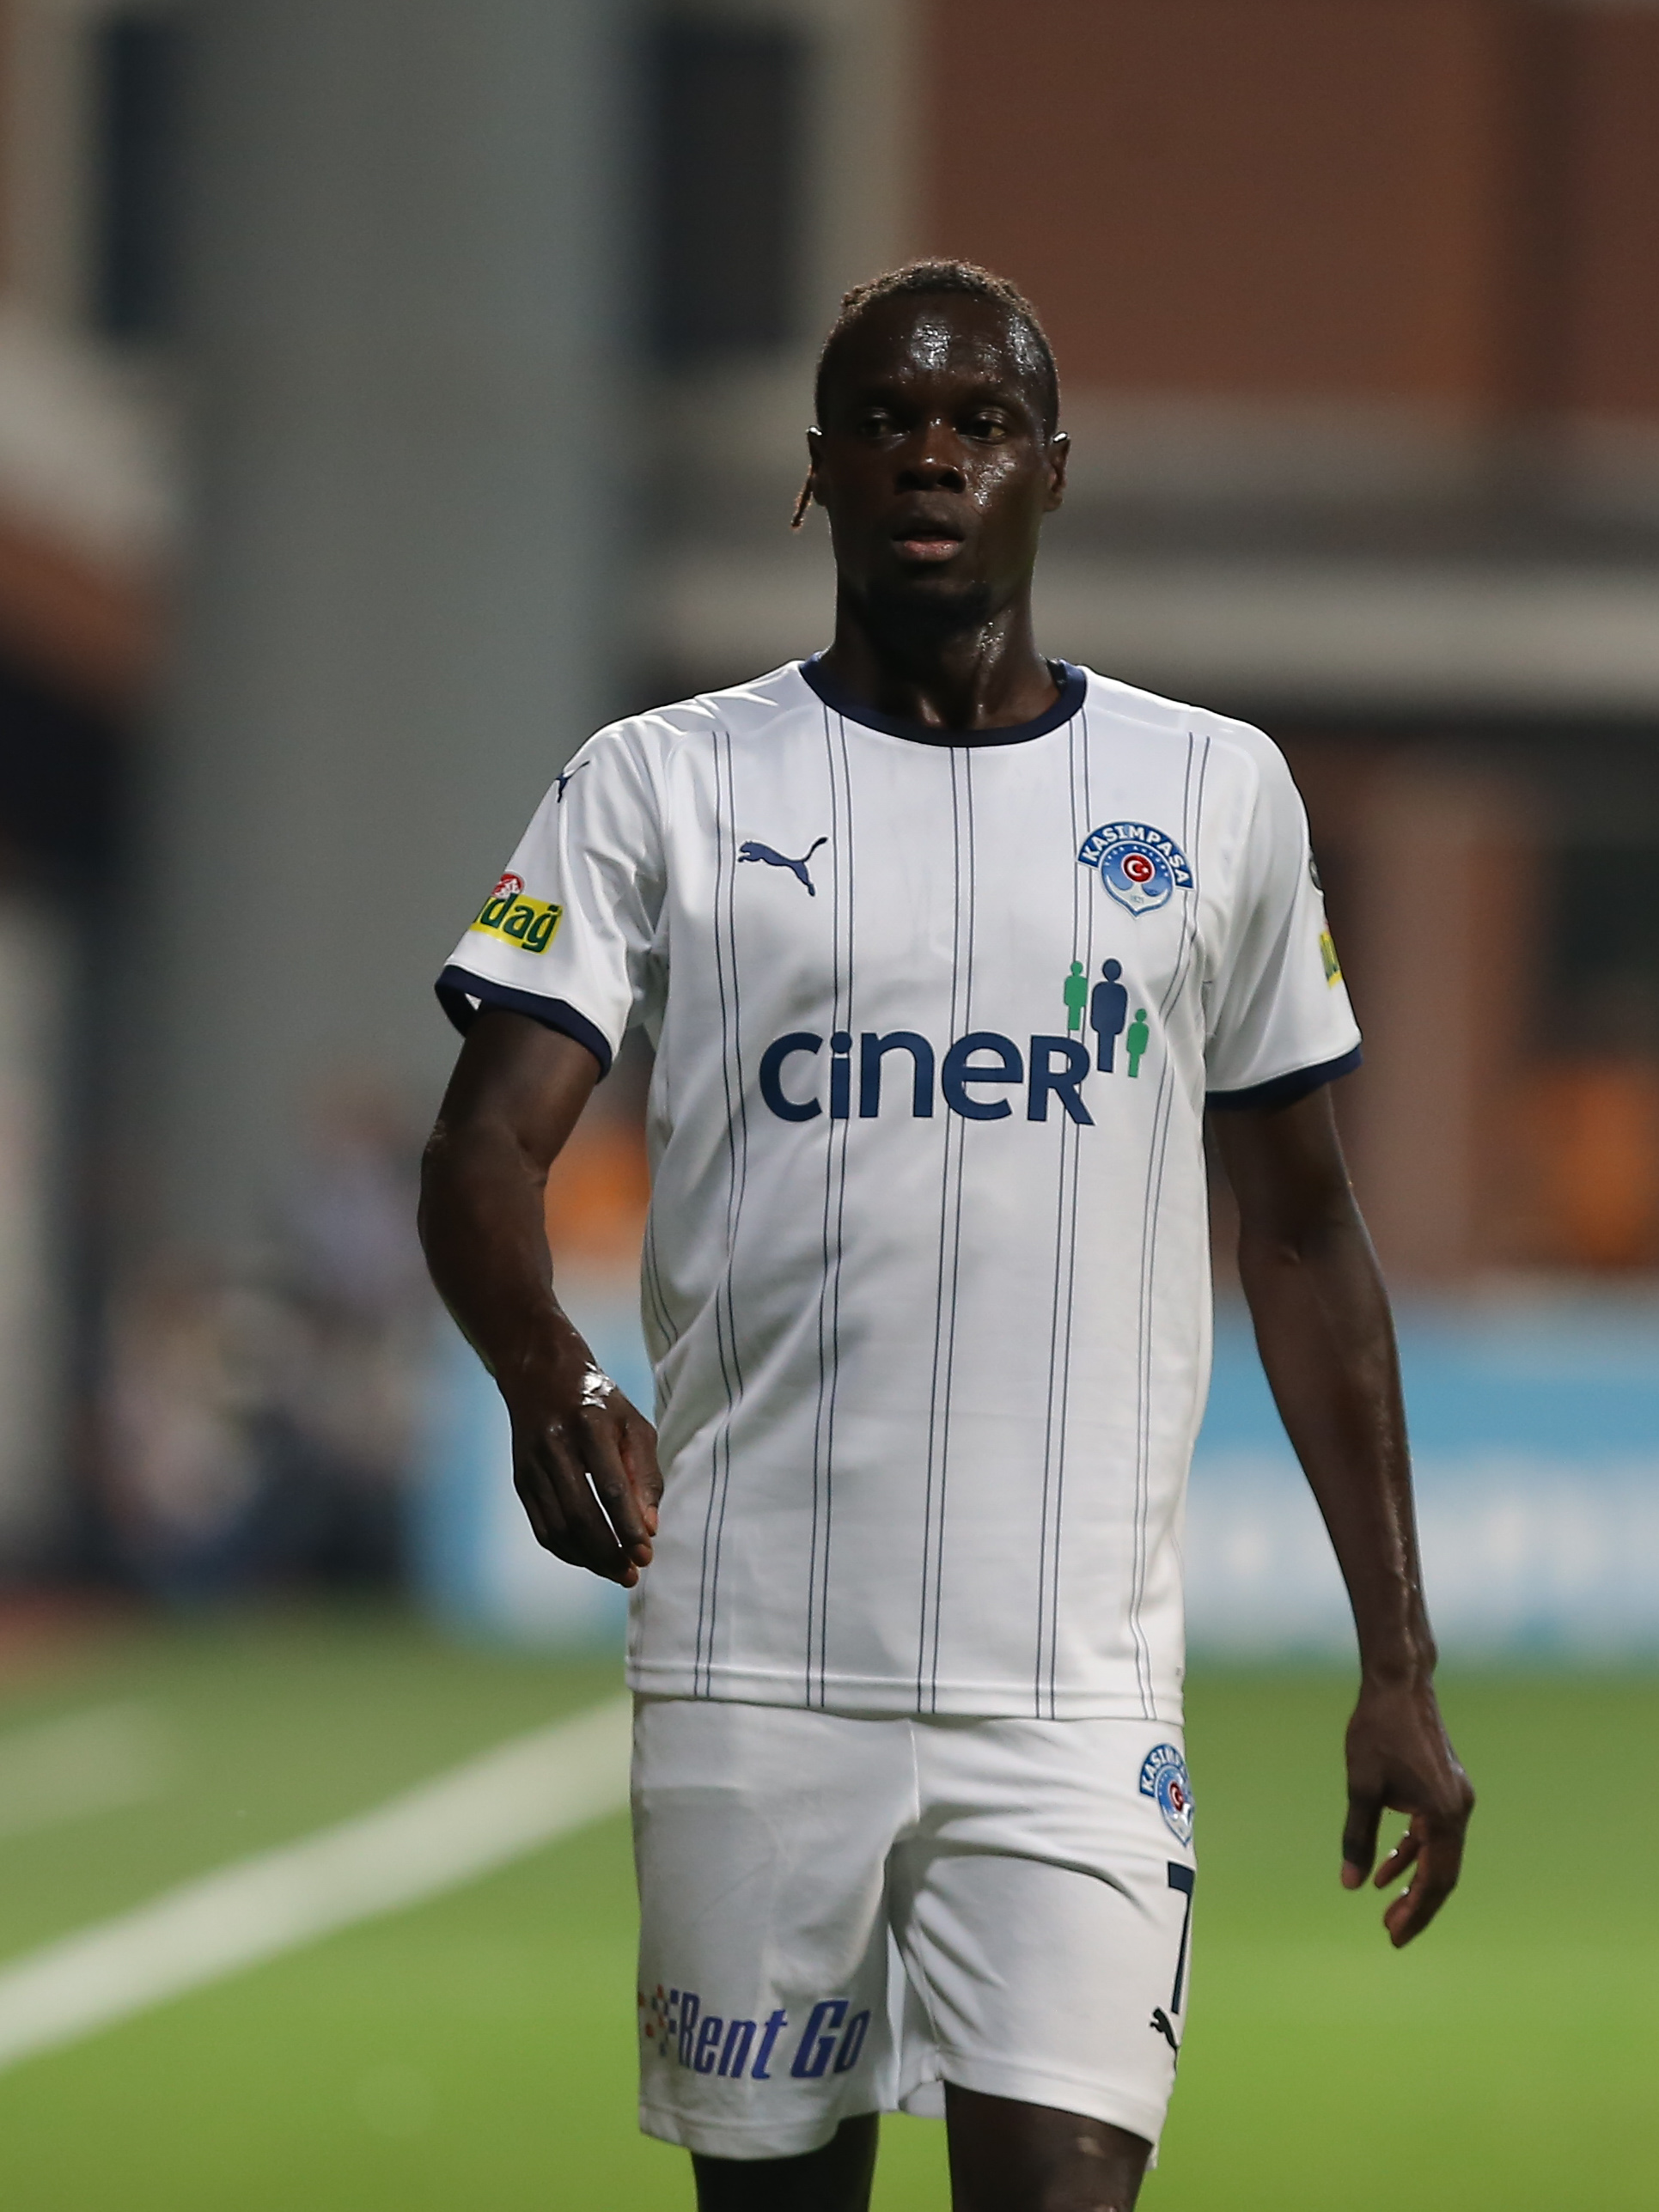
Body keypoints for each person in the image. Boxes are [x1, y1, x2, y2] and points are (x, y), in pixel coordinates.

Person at [419, 261, 1473, 2212]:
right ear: (815, 471)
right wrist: (543, 1368)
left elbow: (1307, 1239)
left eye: (981, 424)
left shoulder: (1212, 795)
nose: (932, 458)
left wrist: (1394, 1659)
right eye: (887, 423)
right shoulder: (661, 784)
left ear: (1052, 471)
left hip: (1076, 1702)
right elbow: (485, 1144)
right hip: (751, 1670)